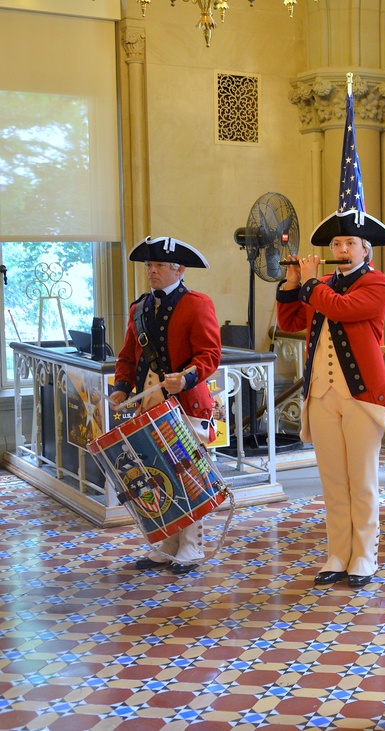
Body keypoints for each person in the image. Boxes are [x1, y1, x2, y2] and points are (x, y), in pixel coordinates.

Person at [276, 209, 385, 590]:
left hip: (362, 395)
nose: (342, 249)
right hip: (322, 393)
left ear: (366, 250)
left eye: (349, 243)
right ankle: (338, 552)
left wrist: (311, 284)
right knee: (332, 480)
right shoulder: (321, 283)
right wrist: (292, 282)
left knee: (361, 480)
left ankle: (365, 554)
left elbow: (343, 310)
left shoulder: (378, 284)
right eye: (336, 244)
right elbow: (290, 322)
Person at [110, 236, 222, 575]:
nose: (151, 271)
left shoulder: (198, 304)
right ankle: (168, 543)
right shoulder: (139, 307)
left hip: (185, 404)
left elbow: (210, 355)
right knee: (158, 475)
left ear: (179, 269)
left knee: (188, 476)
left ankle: (191, 545)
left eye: (158, 265)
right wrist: (121, 388)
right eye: (149, 265)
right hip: (148, 403)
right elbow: (129, 356)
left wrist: (186, 378)